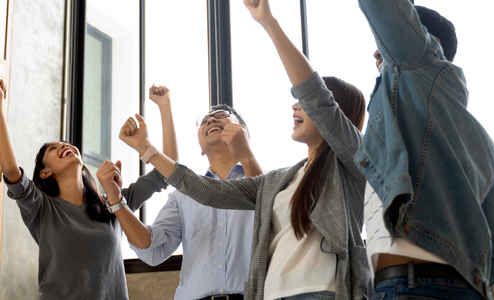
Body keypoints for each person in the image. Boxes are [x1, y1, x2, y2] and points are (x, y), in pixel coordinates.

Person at [117, 0, 371, 298]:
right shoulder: (283, 179)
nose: (294, 104)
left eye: (304, 102)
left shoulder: (352, 160)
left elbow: (316, 96)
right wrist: (146, 149)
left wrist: (268, 22)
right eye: (205, 119)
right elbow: (204, 190)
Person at [355, 1, 494, 299]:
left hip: (411, 284)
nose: (375, 52)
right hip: (447, 285)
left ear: (428, 41)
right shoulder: (468, 143)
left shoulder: (417, 58)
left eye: (383, 41)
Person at [0, 78, 169, 300]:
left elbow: (169, 172)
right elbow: (10, 168)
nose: (65, 145)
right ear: (45, 172)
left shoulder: (115, 203)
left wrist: (164, 107)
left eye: (66, 144)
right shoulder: (41, 208)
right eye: (54, 148)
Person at [99, 84, 262, 300]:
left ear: (245, 135)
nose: (210, 120)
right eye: (204, 121)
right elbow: (152, 249)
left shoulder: (272, 182)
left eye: (221, 116)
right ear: (201, 149)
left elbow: (263, 201)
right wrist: (116, 199)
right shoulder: (183, 196)